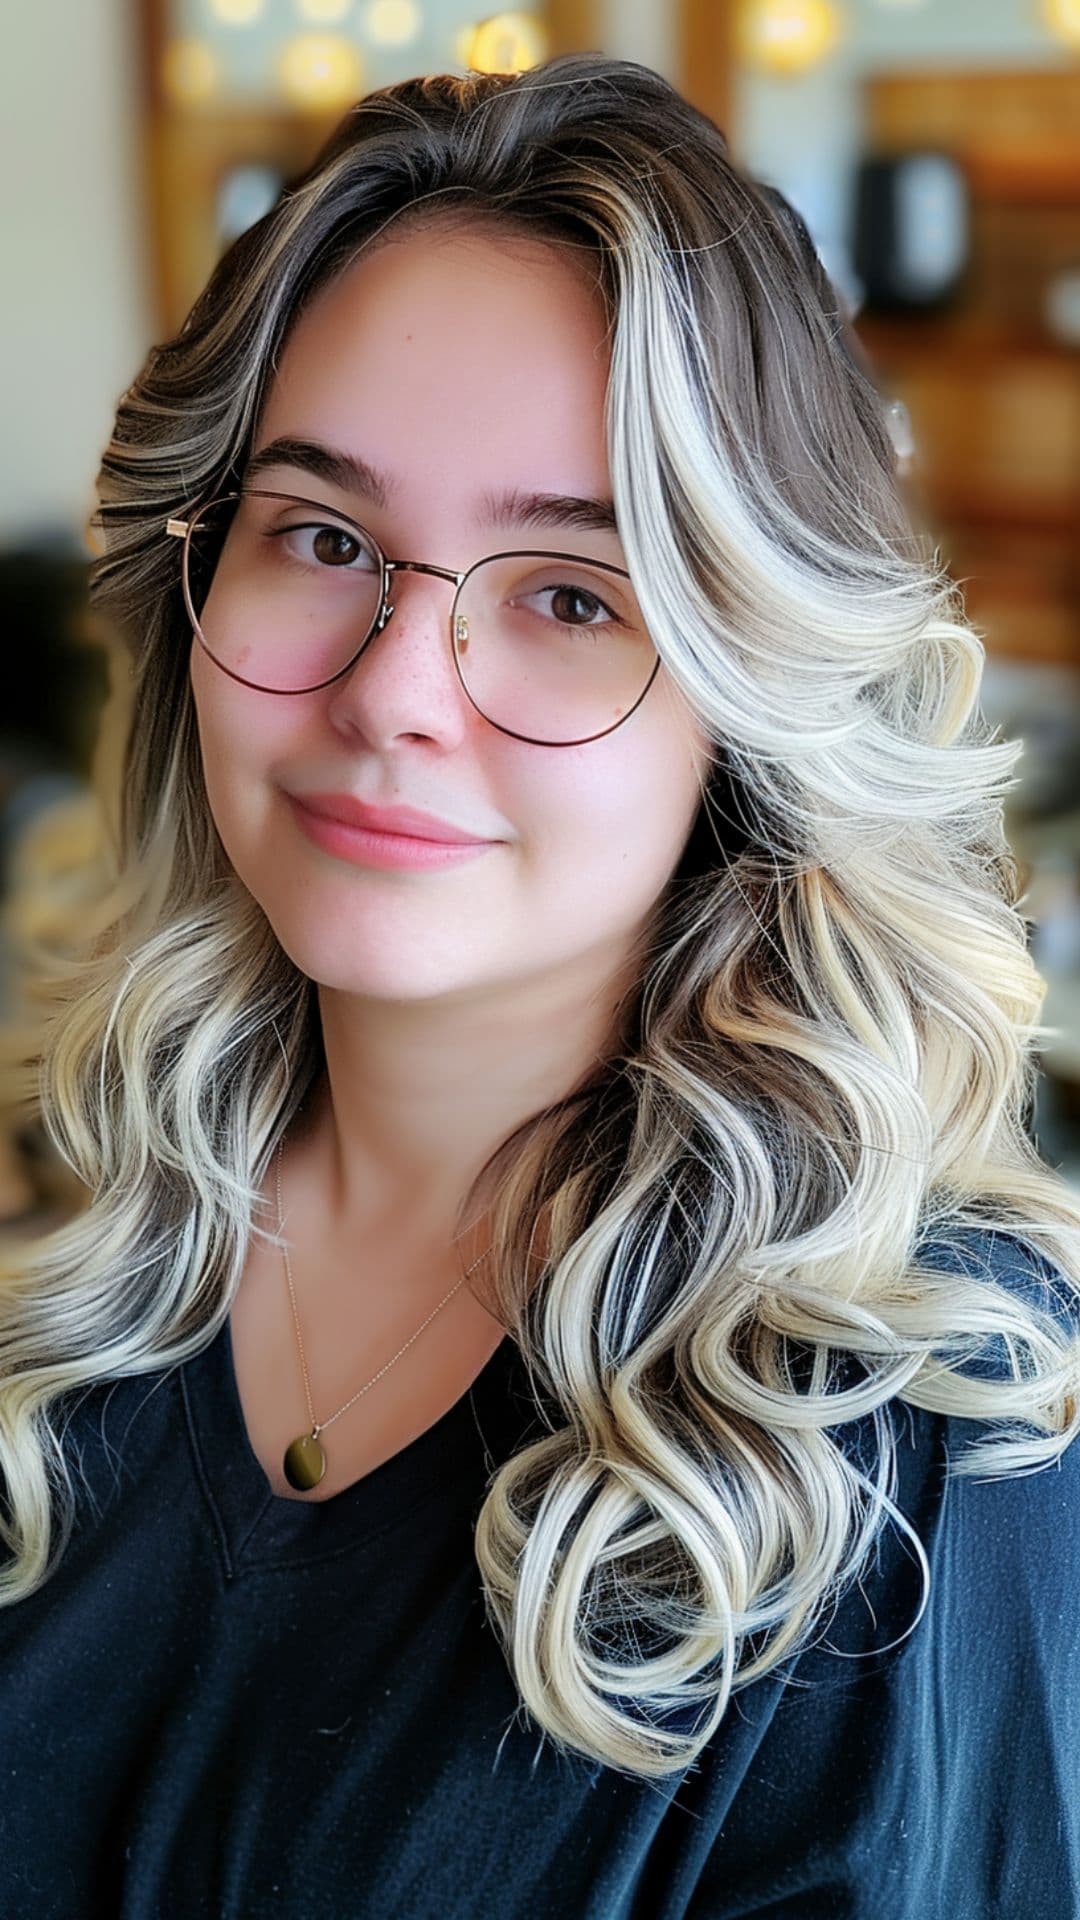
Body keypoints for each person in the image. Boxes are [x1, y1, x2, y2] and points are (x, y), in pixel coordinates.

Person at [1, 52, 1078, 1920]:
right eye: (323, 539)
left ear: (747, 704)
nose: (393, 688)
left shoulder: (915, 1441)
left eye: (572, 592)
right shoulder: (71, 1209)